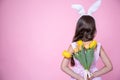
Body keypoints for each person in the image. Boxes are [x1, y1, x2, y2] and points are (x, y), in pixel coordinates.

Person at [61, 15, 113, 80]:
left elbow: (63, 66)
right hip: (92, 77)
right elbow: (109, 66)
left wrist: (79, 78)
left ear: (78, 29)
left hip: (78, 77)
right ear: (94, 30)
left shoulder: (74, 46)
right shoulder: (97, 46)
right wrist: (93, 75)